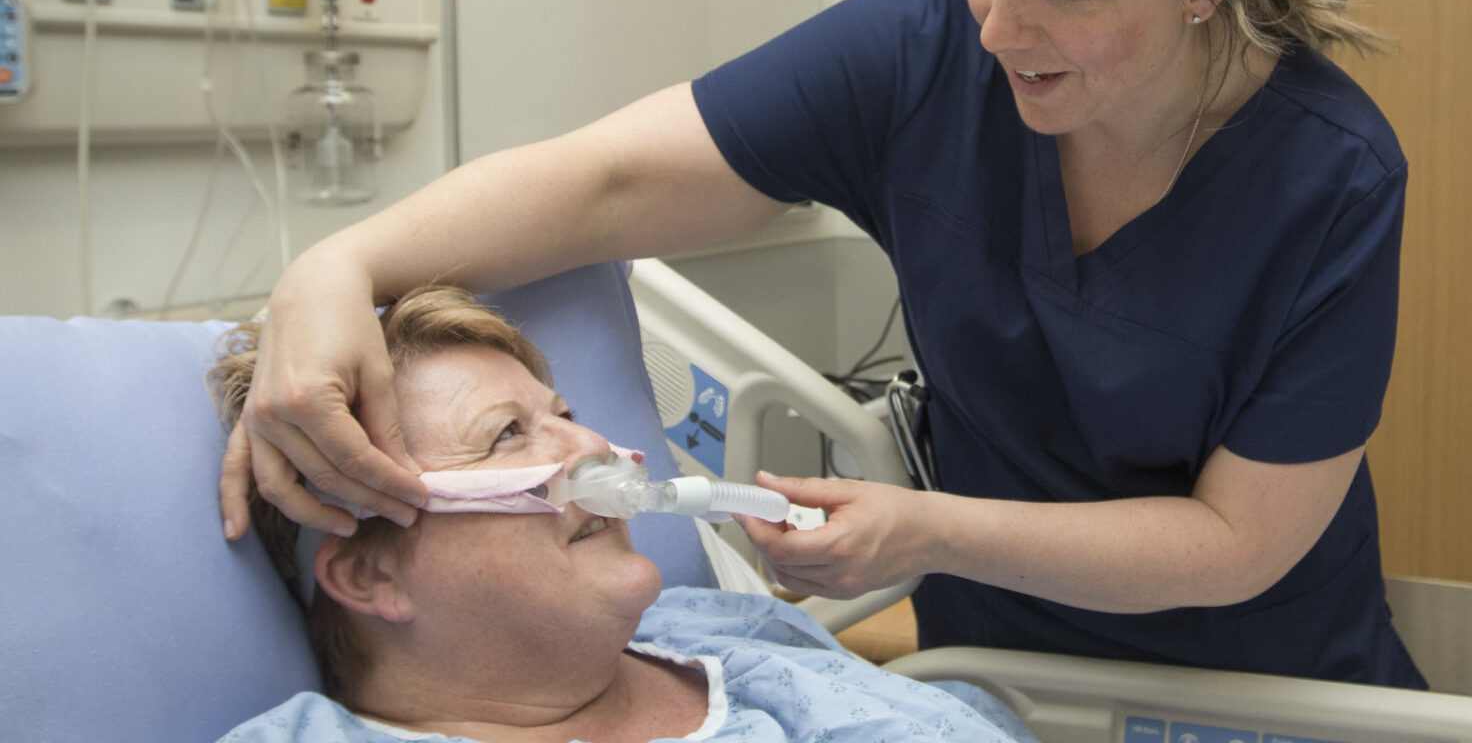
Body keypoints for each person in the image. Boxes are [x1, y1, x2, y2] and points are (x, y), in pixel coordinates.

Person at [223, 0, 1424, 688]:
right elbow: (608, 182)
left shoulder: (1330, 179)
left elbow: (1234, 541)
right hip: (989, 679)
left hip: (1265, 688)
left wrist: (928, 530)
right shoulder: (922, 48)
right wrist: (336, 267)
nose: (998, 28)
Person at [210, 286, 1041, 743]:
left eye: (566, 413)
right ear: (370, 574)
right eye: (506, 435)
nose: (595, 445)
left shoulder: (731, 632)